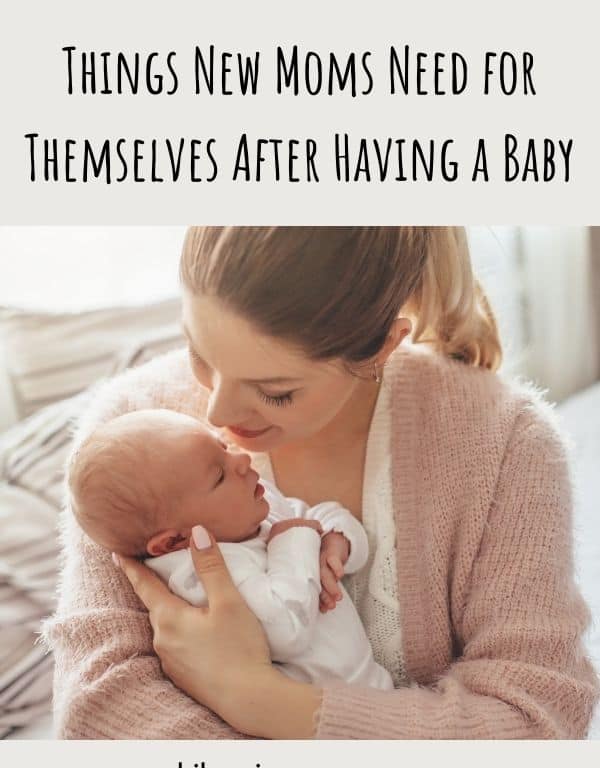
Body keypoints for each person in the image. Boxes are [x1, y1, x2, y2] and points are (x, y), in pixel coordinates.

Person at [44, 227, 599, 739]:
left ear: (383, 345)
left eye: (275, 391)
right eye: (199, 353)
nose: (217, 412)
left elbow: (536, 718)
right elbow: (98, 710)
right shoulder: (131, 434)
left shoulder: (506, 441)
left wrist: (255, 699)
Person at [67, 408, 393, 690]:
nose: (240, 459)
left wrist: (337, 541)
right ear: (173, 542)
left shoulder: (254, 510)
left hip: (372, 687)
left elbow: (322, 514)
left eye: (223, 447)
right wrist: (294, 539)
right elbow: (287, 632)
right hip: (319, 722)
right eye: (219, 475)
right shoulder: (201, 576)